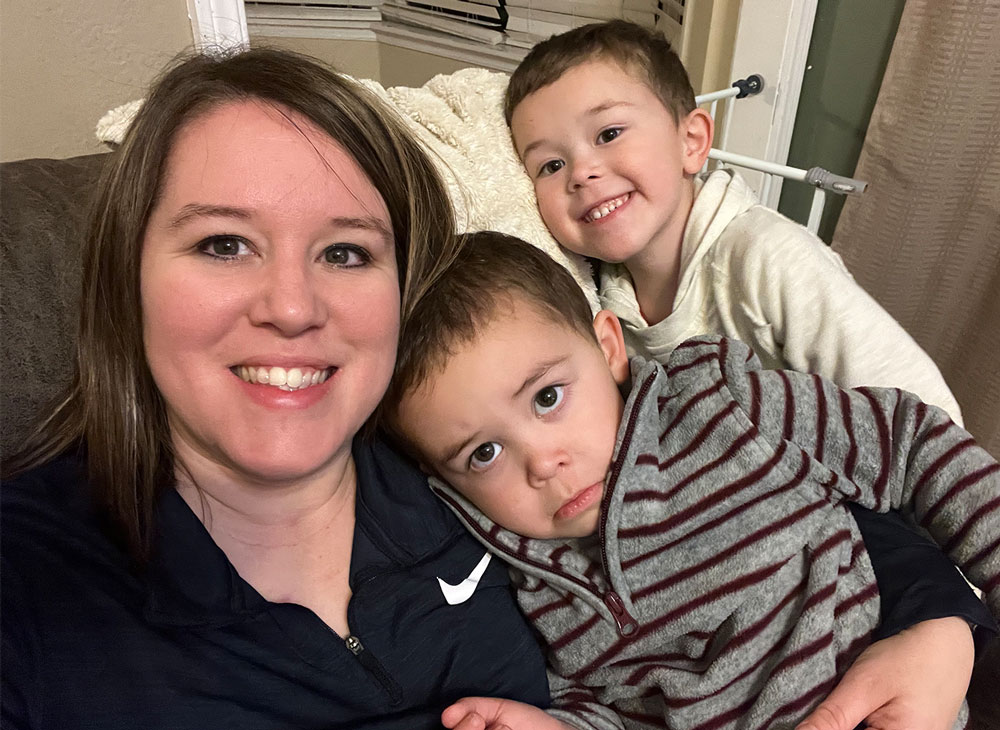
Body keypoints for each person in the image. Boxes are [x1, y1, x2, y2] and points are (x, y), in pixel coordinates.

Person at [0, 48, 552, 729]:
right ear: (127, 280)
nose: (292, 308)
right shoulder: (29, 583)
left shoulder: (495, 467)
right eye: (224, 244)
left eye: (345, 253)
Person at [383, 231, 1000, 730]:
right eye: (484, 452)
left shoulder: (724, 405)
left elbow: (913, 445)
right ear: (438, 477)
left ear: (608, 347)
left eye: (547, 397)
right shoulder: (525, 576)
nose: (543, 463)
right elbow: (610, 708)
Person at [502, 20, 965, 425]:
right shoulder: (592, 297)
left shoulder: (768, 257)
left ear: (691, 141)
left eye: (608, 134)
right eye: (550, 165)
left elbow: (928, 419)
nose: (581, 172)